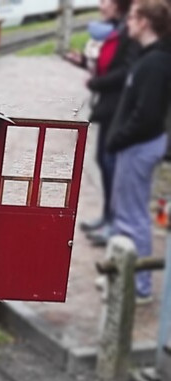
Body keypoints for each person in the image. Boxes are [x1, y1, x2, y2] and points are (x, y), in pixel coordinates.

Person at [106, 0, 171, 302]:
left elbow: (147, 115)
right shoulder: (147, 59)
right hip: (135, 144)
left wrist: (119, 138)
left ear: (145, 22)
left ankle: (140, 286)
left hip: (138, 146)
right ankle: (123, 275)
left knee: (133, 217)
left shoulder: (155, 63)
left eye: (132, 17)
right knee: (126, 215)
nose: (127, 22)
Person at [65, 0, 138, 247]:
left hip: (119, 107)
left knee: (111, 164)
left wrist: (97, 83)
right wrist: (84, 62)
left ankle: (114, 221)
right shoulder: (116, 29)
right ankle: (107, 216)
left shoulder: (128, 32)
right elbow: (107, 64)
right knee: (103, 161)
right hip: (108, 107)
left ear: (119, 5)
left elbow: (127, 70)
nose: (101, 4)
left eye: (106, 1)